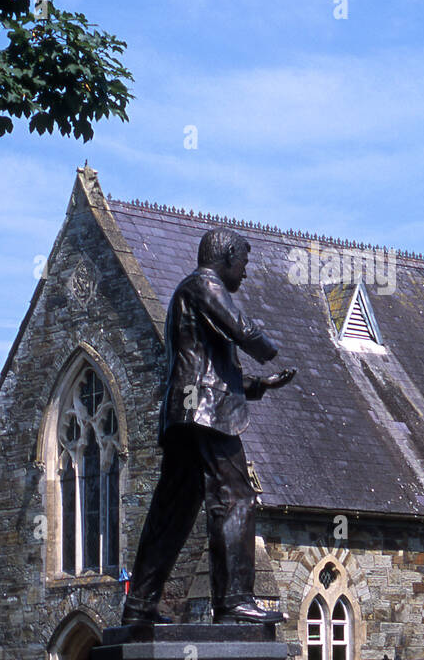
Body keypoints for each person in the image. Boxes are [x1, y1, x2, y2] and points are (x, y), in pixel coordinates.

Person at [121, 226, 295, 625]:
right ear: (228, 257)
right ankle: (234, 601)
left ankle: (139, 605)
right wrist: (270, 351)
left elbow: (209, 369)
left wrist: (258, 385)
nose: (245, 273)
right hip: (207, 417)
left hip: (188, 414)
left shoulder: (190, 295)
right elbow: (243, 330)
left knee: (174, 511)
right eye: (244, 263)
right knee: (236, 497)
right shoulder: (205, 285)